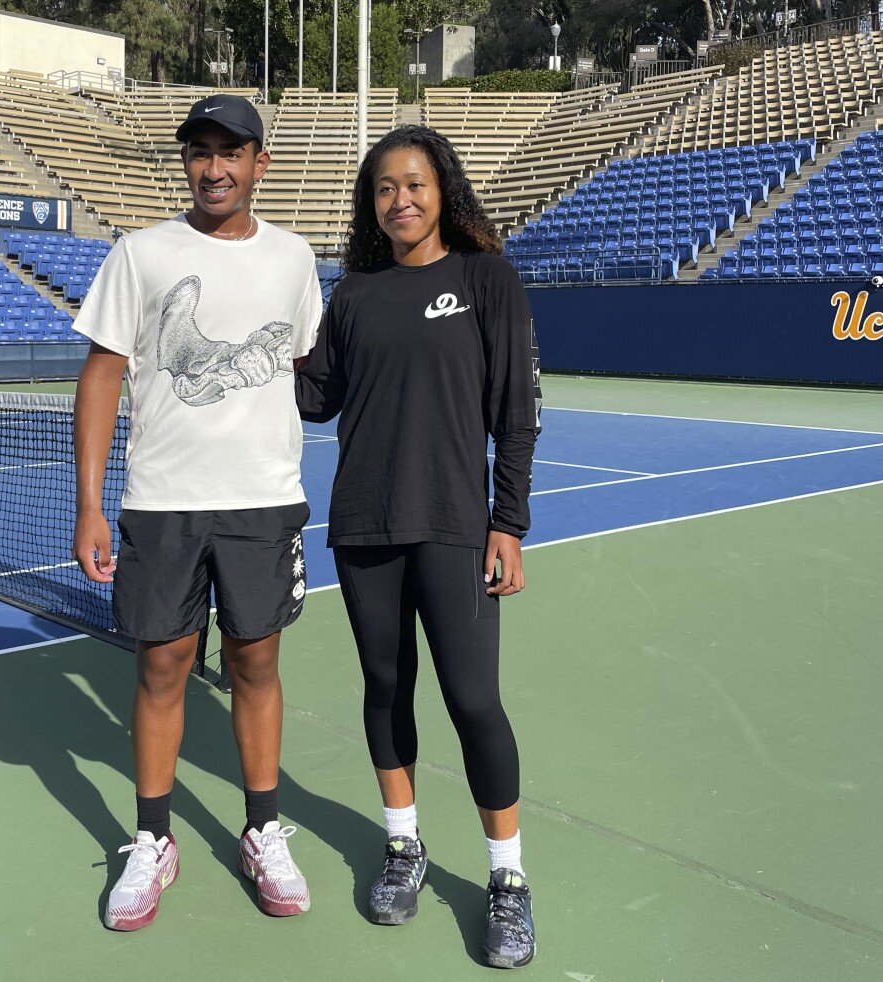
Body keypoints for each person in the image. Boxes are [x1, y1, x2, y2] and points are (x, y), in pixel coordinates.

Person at [72, 94, 322, 931]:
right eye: (199, 151)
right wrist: (90, 506)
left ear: (260, 164)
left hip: (262, 503)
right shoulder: (140, 255)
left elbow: (305, 370)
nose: (213, 167)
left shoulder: (294, 259)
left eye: (230, 151)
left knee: (255, 664)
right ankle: (152, 841)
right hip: (163, 505)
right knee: (161, 668)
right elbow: (103, 375)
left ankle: (262, 830)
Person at [296, 125, 542, 969]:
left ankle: (507, 880)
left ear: (444, 189)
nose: (400, 200)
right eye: (384, 190)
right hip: (363, 524)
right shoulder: (354, 295)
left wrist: (507, 522)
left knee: (474, 701)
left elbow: (515, 412)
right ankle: (404, 847)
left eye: (414, 184)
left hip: (454, 527)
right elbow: (313, 398)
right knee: (385, 688)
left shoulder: (486, 278)